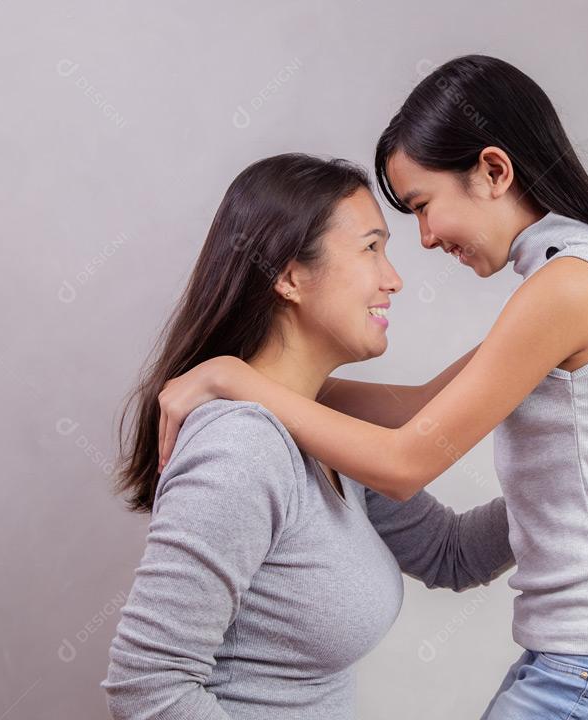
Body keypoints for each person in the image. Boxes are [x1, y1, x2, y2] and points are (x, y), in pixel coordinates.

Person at [156, 55, 588, 719]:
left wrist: (232, 377)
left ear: (494, 170)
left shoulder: (568, 287)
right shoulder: (575, 274)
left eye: (423, 208)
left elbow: (403, 461)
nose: (424, 242)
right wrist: (270, 384)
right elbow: (417, 406)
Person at [101, 152, 514, 720]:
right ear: (291, 276)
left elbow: (451, 553)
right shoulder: (242, 448)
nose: (393, 279)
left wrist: (573, 487)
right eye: (371, 248)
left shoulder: (321, 433)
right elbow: (146, 684)